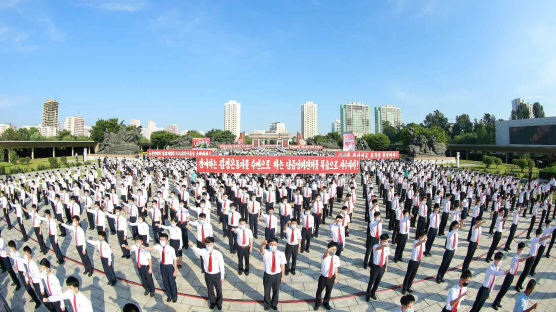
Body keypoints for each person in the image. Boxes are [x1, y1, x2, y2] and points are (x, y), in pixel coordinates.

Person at [189, 237, 225, 310]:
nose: (209, 246)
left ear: (213, 244)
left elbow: (221, 265)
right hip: (208, 274)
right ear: (205, 244)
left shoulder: (218, 253)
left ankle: (219, 303)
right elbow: (197, 250)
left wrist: (222, 276)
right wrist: (192, 246)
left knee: (219, 289)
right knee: (210, 289)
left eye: (210, 244)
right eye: (207, 244)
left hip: (216, 274)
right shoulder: (204, 251)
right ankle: (212, 302)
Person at [492, 242, 530, 310]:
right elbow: (520, 260)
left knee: (505, 290)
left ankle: (498, 302)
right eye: (522, 249)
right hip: (509, 275)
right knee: (503, 290)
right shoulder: (515, 257)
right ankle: (495, 303)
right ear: (519, 249)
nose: (522, 251)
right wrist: (528, 257)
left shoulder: (518, 256)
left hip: (512, 275)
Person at [148, 233, 178, 303]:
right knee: (165, 281)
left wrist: (175, 270)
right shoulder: (159, 246)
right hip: (162, 266)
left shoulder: (171, 249)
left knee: (172, 282)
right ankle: (169, 295)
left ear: (167, 240)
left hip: (170, 267)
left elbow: (175, 260)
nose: (162, 241)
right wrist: (143, 247)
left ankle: (174, 296)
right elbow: (151, 248)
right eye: (160, 239)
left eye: (163, 240)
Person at [259, 238, 286, 311]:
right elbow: (261, 250)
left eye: (274, 244)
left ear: (277, 244)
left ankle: (274, 304)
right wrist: (262, 244)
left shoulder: (281, 253)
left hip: (277, 275)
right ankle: (267, 304)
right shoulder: (266, 252)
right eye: (271, 245)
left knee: (276, 291)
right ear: (268, 245)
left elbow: (282, 265)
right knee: (267, 291)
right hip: (268, 275)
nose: (273, 246)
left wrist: (282, 276)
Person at [314, 242, 340, 311]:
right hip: (323, 277)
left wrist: (336, 278)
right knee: (319, 290)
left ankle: (326, 302)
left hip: (331, 278)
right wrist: (329, 250)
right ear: (329, 249)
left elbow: (336, 268)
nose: (334, 251)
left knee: (329, 291)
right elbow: (325, 255)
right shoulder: (323, 256)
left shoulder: (336, 258)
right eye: (333, 249)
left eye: (335, 250)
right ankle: (318, 302)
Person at [365, 233, 390, 301]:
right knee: (371, 281)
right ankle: (368, 294)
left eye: (387, 241)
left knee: (378, 281)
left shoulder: (387, 247)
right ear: (381, 240)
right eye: (385, 241)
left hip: (382, 266)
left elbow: (386, 257)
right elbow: (378, 248)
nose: (386, 242)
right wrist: (384, 245)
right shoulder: (376, 246)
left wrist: (386, 267)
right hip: (375, 267)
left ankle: (373, 293)